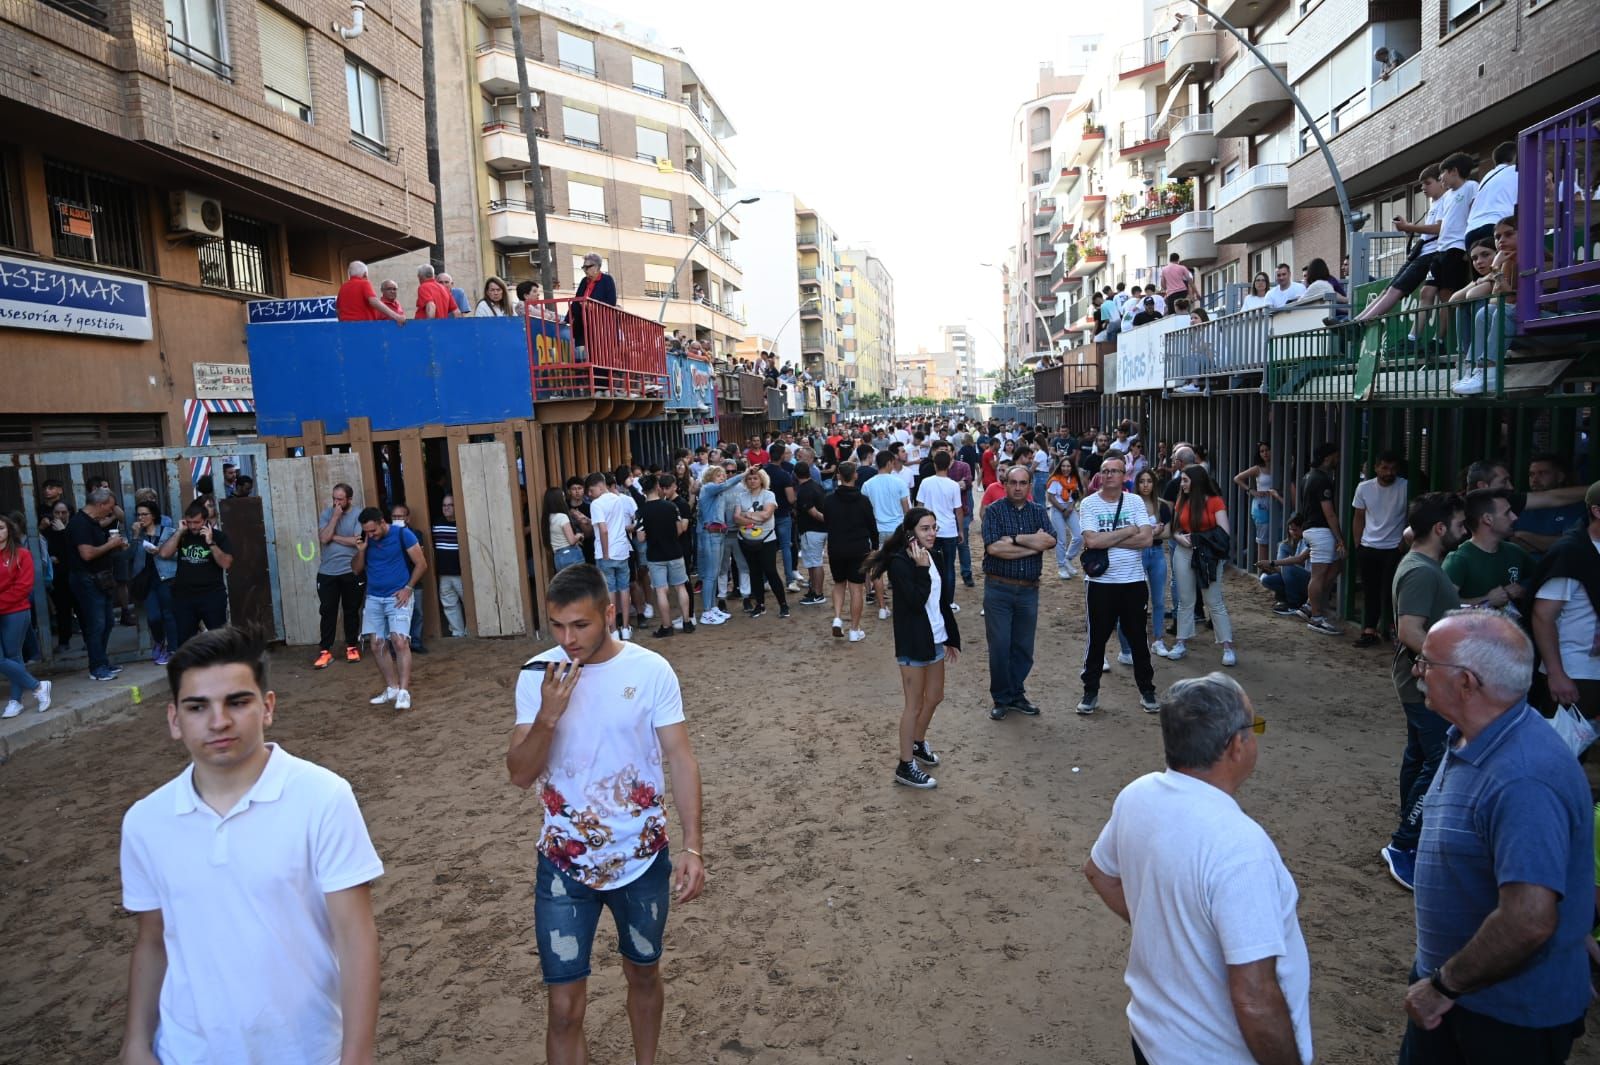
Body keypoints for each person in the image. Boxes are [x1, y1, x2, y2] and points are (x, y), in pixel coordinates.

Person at [117, 626, 382, 1065]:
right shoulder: (145, 821)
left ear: (268, 707)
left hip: (307, 1051)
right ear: (174, 720)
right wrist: (135, 1043)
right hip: (185, 1053)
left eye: (237, 702)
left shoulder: (323, 798)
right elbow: (153, 941)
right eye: (197, 707)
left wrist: (357, 1057)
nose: (218, 721)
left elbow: (356, 936)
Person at [506, 564, 704, 1065]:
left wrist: (692, 845)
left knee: (643, 973)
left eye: (580, 625)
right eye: (556, 625)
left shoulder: (651, 670)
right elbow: (520, 774)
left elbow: (679, 758)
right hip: (562, 866)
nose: (567, 639)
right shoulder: (538, 676)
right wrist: (548, 715)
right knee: (564, 1009)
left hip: (641, 860)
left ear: (609, 613)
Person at [1085, 673, 1313, 1065]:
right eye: (1254, 727)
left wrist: (1167, 929)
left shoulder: (1138, 795)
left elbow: (1099, 872)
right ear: (1235, 745)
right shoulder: (1241, 848)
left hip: (1153, 1039)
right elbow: (1255, 999)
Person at [1398, 611, 1590, 1063]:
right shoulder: (1474, 734)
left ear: (1467, 682)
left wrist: (1444, 985)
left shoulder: (1523, 778)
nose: (1417, 671)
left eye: (1427, 663)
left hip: (1501, 1015)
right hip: (1460, 988)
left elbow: (1528, 919)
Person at [1382, 492, 1466, 891]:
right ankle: (1404, 844)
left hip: (1421, 681)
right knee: (1437, 761)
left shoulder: (1425, 566)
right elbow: (1409, 630)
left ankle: (1409, 827)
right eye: (1459, 524)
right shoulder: (1421, 571)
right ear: (1439, 528)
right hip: (1423, 683)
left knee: (1419, 756)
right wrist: (1446, 662)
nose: (1463, 531)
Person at [865, 508, 960, 790]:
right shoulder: (900, 562)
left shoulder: (934, 554)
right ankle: (905, 765)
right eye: (924, 529)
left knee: (936, 696)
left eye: (933, 527)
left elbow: (942, 602)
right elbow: (916, 602)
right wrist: (920, 569)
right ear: (910, 533)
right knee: (914, 704)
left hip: (936, 637)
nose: (931, 533)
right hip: (913, 642)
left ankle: (917, 743)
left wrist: (951, 636)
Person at [1076, 455, 1160, 715]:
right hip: (1100, 583)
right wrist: (1127, 531)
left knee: (1138, 639)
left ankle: (1147, 690)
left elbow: (1146, 539)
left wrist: (1107, 539)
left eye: (1116, 471)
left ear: (1125, 476)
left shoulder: (1134, 501)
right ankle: (1090, 692)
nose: (1110, 475)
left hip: (1133, 582)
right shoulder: (1089, 503)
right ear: (1099, 476)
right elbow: (1091, 541)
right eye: (1106, 471)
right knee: (1097, 640)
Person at [983, 466, 1056, 721]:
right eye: (1012, 482)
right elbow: (994, 549)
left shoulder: (1038, 511)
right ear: (1004, 484)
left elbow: (1050, 540)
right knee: (1000, 646)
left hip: (1028, 590)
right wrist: (1030, 544)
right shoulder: (994, 511)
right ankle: (1001, 698)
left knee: (1023, 647)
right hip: (998, 588)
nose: (1017, 487)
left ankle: (1017, 694)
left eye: (1023, 482)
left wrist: (1012, 539)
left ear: (1030, 484)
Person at [1529, 481, 1600, 723]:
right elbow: (1542, 616)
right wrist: (1556, 674)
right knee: (1564, 754)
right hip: (1575, 671)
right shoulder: (1571, 552)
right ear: (1597, 511)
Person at [352, 506, 426, 711]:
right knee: (376, 644)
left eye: (373, 530)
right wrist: (362, 550)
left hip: (397, 596)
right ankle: (392, 688)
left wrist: (408, 588)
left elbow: (421, 564)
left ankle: (403, 691)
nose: (371, 535)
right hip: (374, 597)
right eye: (367, 531)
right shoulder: (367, 542)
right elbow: (356, 569)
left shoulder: (403, 534)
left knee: (400, 641)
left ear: (383, 523)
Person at [1170, 465, 1237, 667]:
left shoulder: (1214, 501)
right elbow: (1175, 529)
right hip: (1184, 551)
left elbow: (1224, 533)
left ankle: (1227, 646)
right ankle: (1181, 642)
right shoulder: (1182, 500)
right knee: (1185, 599)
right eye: (1182, 480)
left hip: (1208, 555)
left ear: (1196, 481)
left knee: (1213, 600)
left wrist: (1197, 539)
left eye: (1185, 480)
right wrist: (1179, 539)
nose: (1182, 484)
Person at [1351, 452, 1410, 647]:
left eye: (1392, 468)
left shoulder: (1405, 487)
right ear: (1376, 468)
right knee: (1371, 590)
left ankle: (1393, 629)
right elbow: (1359, 516)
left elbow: (1413, 515)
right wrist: (1358, 543)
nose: (1389, 472)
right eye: (1384, 468)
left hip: (1394, 546)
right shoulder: (1364, 488)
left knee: (1391, 591)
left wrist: (1404, 541)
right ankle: (1369, 629)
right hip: (1369, 546)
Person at [158, 499, 233, 649]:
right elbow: (164, 554)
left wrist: (210, 543)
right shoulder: (183, 536)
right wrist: (179, 532)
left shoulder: (219, 537)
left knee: (219, 639)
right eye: (189, 522)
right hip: (184, 597)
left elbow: (226, 563)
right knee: (185, 641)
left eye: (197, 522)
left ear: (205, 521)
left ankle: (222, 668)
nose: (192, 526)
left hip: (211, 595)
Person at [68, 486, 125, 681]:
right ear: (100, 504)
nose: (111, 510)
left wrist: (113, 546)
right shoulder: (80, 524)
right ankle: (97, 667)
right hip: (87, 580)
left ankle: (102, 662)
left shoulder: (92, 522)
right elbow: (87, 553)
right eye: (110, 506)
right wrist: (111, 544)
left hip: (99, 579)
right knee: (97, 624)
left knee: (107, 622)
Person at [1443, 489, 1531, 611]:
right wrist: (1487, 600)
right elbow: (1443, 605)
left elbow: (1545, 584)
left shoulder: (1515, 552)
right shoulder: (1459, 560)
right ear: (1487, 519)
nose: (1514, 517)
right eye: (1507, 513)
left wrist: (1524, 592)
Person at [0, 516, 51, 717]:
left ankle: (15, 701)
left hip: (15, 611)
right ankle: (38, 687)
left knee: (13, 656)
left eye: (1, 527)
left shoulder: (22, 554)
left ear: (9, 530)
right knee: (6, 659)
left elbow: (23, 587)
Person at [1294, 443, 1345, 636]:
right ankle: (1316, 617)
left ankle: (1309, 606)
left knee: (1335, 567)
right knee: (1319, 575)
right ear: (1327, 458)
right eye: (1335, 456)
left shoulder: (1308, 476)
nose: (1337, 460)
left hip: (1313, 528)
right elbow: (1329, 513)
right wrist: (1339, 538)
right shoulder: (1322, 479)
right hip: (1320, 530)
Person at [822, 461, 877, 642]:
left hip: (836, 547)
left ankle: (837, 617)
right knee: (856, 589)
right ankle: (854, 628)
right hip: (858, 548)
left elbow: (827, 522)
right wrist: (875, 546)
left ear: (838, 475)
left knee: (839, 584)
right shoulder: (863, 500)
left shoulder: (829, 500)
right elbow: (872, 526)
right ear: (855, 475)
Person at [728, 467, 789, 619]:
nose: (752, 481)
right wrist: (755, 517)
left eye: (755, 478)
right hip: (745, 539)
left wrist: (747, 515)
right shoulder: (741, 496)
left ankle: (783, 604)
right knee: (754, 572)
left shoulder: (769, 495)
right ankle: (760, 605)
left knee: (770, 571)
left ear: (762, 479)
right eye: (749, 478)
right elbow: (736, 518)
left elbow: (767, 515)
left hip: (766, 539)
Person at [637, 474, 694, 637]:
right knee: (680, 586)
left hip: (655, 555)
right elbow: (679, 530)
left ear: (643, 491)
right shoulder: (671, 507)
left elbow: (641, 537)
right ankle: (687, 622)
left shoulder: (642, 511)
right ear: (657, 487)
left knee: (661, 591)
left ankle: (666, 626)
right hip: (675, 551)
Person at [587, 472, 638, 639]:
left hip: (605, 553)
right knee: (624, 589)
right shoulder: (617, 499)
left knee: (609, 591)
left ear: (600, 486)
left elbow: (603, 529)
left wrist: (606, 552)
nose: (589, 493)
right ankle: (625, 627)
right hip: (622, 551)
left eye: (591, 489)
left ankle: (613, 630)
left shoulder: (596, 504)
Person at [862, 451, 911, 620]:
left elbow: (866, 510)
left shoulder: (867, 485)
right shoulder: (899, 482)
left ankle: (882, 607)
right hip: (897, 530)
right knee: (900, 566)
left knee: (877, 569)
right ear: (890, 462)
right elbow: (906, 509)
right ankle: (901, 603)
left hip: (876, 530)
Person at [129, 500, 179, 666]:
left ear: (154, 515)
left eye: (145, 514)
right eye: (139, 514)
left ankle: (173, 649)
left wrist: (162, 552)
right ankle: (159, 641)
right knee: (154, 617)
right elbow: (130, 557)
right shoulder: (138, 535)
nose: (141, 518)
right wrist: (135, 537)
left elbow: (179, 555)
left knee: (169, 614)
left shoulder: (168, 532)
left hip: (166, 578)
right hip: (146, 581)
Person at [914, 450, 964, 604]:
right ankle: (948, 601)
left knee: (929, 566)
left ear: (935, 464)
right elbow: (958, 510)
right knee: (949, 568)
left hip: (929, 530)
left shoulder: (926, 482)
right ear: (949, 464)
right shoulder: (953, 485)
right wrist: (960, 530)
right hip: (949, 530)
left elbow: (919, 506)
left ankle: (932, 599)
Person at [1133, 469, 1173, 659]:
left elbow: (1168, 533)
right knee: (1137, 600)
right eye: (1142, 481)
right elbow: (1131, 532)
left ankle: (1158, 639)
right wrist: (1153, 531)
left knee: (1158, 600)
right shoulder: (1131, 505)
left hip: (1156, 552)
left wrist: (1150, 533)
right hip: (1137, 553)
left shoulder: (1162, 506)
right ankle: (1139, 640)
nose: (1146, 485)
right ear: (1137, 484)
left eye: (1149, 481)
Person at [694, 466, 736, 627]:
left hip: (718, 534)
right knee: (710, 575)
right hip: (710, 535)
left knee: (715, 572)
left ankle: (711, 607)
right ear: (711, 476)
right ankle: (706, 611)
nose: (723, 477)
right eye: (719, 475)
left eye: (723, 475)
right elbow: (725, 486)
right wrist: (744, 474)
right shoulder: (708, 488)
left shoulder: (717, 492)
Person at [1233, 441, 1283, 570]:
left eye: (1267, 450)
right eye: (1262, 451)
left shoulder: (1280, 466)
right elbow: (1237, 478)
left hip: (1277, 503)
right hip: (1261, 505)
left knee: (1278, 535)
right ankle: (1263, 569)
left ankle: (1275, 566)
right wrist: (1250, 490)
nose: (1265, 453)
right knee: (1263, 539)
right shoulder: (1257, 468)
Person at [429, 495, 468, 637]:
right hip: (444, 573)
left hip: (461, 573)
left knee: (468, 603)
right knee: (449, 604)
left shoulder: (463, 524)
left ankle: (471, 631)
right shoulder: (437, 523)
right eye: (444, 505)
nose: (446, 508)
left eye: (450, 505)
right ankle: (458, 633)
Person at [568, 253, 617, 359]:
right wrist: (567, 319)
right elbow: (576, 301)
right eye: (583, 267)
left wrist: (592, 306)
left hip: (600, 325)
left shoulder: (607, 280)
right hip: (582, 324)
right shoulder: (583, 281)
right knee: (581, 357)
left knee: (599, 356)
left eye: (587, 267)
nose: (585, 270)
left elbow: (611, 302)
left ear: (596, 266)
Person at [794, 462, 829, 607]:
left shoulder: (804, 490)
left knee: (815, 562)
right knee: (812, 562)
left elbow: (813, 513)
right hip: (815, 530)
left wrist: (829, 521)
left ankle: (818, 594)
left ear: (795, 475)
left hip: (812, 531)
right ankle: (813, 590)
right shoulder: (816, 485)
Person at [1262, 517, 1312, 616]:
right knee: (1266, 579)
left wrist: (1273, 563)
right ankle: (1285, 600)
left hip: (1311, 579)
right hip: (1300, 578)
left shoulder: (1309, 540)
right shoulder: (1300, 542)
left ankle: (1293, 605)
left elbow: (1299, 560)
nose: (1292, 532)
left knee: (1287, 566)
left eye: (1295, 530)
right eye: (1290, 530)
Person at [334, 260, 404, 324]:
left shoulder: (343, 287)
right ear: (365, 274)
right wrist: (396, 316)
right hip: (364, 326)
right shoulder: (364, 283)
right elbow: (374, 301)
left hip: (346, 327)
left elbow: (337, 310)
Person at [1045, 454, 1080, 580]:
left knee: (1079, 535)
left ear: (1072, 467)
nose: (1066, 468)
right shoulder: (1055, 479)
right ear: (1060, 467)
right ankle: (1061, 567)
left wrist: (1070, 507)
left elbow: (1075, 495)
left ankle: (1067, 558)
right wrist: (1063, 509)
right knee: (1061, 540)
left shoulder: (1074, 479)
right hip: (1057, 509)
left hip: (1070, 508)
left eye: (1068, 466)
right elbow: (1051, 497)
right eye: (1064, 466)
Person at [545, 487, 585, 572]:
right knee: (580, 583)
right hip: (571, 554)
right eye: (562, 497)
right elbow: (571, 541)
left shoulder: (548, 518)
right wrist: (579, 535)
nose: (564, 499)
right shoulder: (562, 517)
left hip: (558, 557)